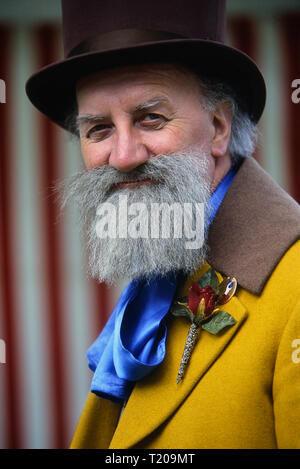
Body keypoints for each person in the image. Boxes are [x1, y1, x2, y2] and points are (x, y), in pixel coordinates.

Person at [26, 0, 300, 449]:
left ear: (217, 127)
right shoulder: (170, 262)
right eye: (98, 129)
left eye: (150, 118)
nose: (124, 156)